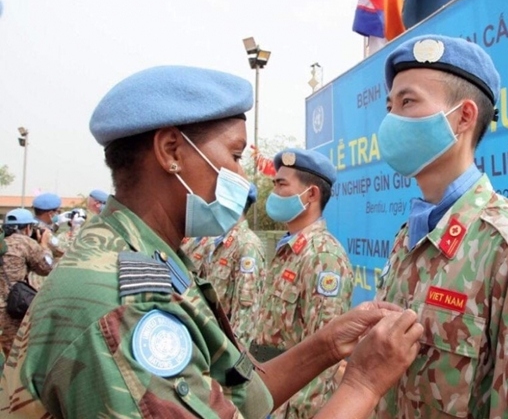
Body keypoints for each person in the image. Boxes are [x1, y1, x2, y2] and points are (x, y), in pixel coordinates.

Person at [0, 65, 423, 419]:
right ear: (171, 152)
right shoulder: (125, 307)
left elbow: (238, 396)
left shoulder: (145, 255)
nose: (244, 178)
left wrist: (329, 343)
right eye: (236, 155)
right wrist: (364, 383)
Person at [374, 35, 508, 418]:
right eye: (390, 106)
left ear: (463, 117)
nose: (392, 119)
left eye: (408, 102)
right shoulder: (408, 238)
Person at [253, 148, 354, 419]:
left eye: (281, 184)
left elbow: (325, 356)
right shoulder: (288, 250)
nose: (273, 192)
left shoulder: (324, 256)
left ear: (310, 195)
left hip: (290, 405)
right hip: (266, 390)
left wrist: (292, 413)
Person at [181, 184, 265, 349]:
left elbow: (245, 317)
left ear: (235, 202)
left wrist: (232, 364)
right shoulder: (212, 242)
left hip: (223, 352)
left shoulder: (247, 246)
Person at [0, 209, 53, 359]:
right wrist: (44, 245)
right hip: (9, 311)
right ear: (28, 228)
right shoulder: (24, 242)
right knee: (12, 356)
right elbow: (46, 268)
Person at [29, 192, 64, 288]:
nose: (58, 214)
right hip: (37, 280)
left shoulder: (29, 225)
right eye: (58, 211)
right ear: (50, 214)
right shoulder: (44, 232)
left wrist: (56, 225)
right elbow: (60, 251)